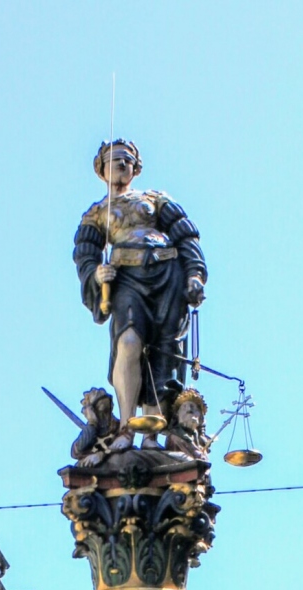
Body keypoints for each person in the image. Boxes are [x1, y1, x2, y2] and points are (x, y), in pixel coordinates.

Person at [74, 139, 207, 431]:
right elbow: (85, 253)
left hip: (167, 275)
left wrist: (194, 273)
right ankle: (127, 426)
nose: (122, 163)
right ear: (102, 169)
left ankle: (151, 435)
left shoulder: (155, 198)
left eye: (128, 160)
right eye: (115, 159)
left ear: (136, 168)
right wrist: (96, 274)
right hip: (127, 279)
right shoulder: (96, 214)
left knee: (165, 353)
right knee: (129, 342)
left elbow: (184, 233)